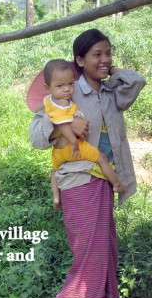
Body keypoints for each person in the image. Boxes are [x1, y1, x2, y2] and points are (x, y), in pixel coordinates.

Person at [28, 28, 146, 298]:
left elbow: (136, 82)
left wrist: (113, 71)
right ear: (79, 61)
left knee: (105, 251)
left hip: (104, 183)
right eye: (96, 54)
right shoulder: (65, 92)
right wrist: (62, 124)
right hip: (78, 181)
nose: (104, 60)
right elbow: (37, 138)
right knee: (89, 259)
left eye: (107, 53)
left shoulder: (110, 91)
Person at [33, 59, 128, 209]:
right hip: (73, 148)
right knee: (101, 159)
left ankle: (56, 197)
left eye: (70, 84)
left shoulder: (48, 100)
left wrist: (38, 110)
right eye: (60, 85)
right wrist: (74, 142)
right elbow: (64, 125)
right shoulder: (64, 103)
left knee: (55, 170)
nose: (66, 89)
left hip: (58, 153)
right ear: (47, 87)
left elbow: (37, 108)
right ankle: (116, 184)